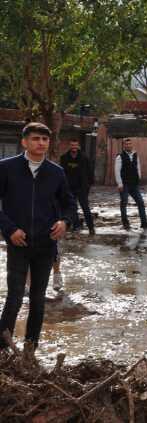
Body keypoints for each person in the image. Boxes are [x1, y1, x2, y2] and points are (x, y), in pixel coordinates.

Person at [0, 122, 74, 350]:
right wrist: (10, 229)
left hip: (45, 244)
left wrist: (65, 222)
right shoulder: (6, 168)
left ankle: (30, 350)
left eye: (44, 139)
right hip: (18, 243)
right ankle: (2, 350)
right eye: (35, 139)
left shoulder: (56, 172)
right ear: (24, 142)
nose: (40, 143)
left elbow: (69, 204)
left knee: (38, 299)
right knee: (13, 298)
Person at [115, 138, 147, 230]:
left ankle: (144, 222)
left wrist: (138, 177)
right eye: (126, 144)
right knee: (124, 203)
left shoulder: (135, 155)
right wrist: (119, 184)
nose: (128, 146)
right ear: (124, 146)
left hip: (134, 184)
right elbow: (116, 171)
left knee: (140, 202)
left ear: (132, 145)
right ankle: (125, 223)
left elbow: (138, 166)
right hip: (124, 184)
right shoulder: (120, 157)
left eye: (130, 144)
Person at [60, 140, 95, 235]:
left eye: (75, 145)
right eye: (72, 145)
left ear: (78, 146)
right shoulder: (64, 158)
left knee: (85, 207)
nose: (74, 147)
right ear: (69, 146)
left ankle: (91, 227)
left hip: (82, 188)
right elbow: (61, 173)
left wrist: (89, 184)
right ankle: (76, 226)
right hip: (69, 188)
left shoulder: (84, 158)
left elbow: (90, 172)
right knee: (72, 208)